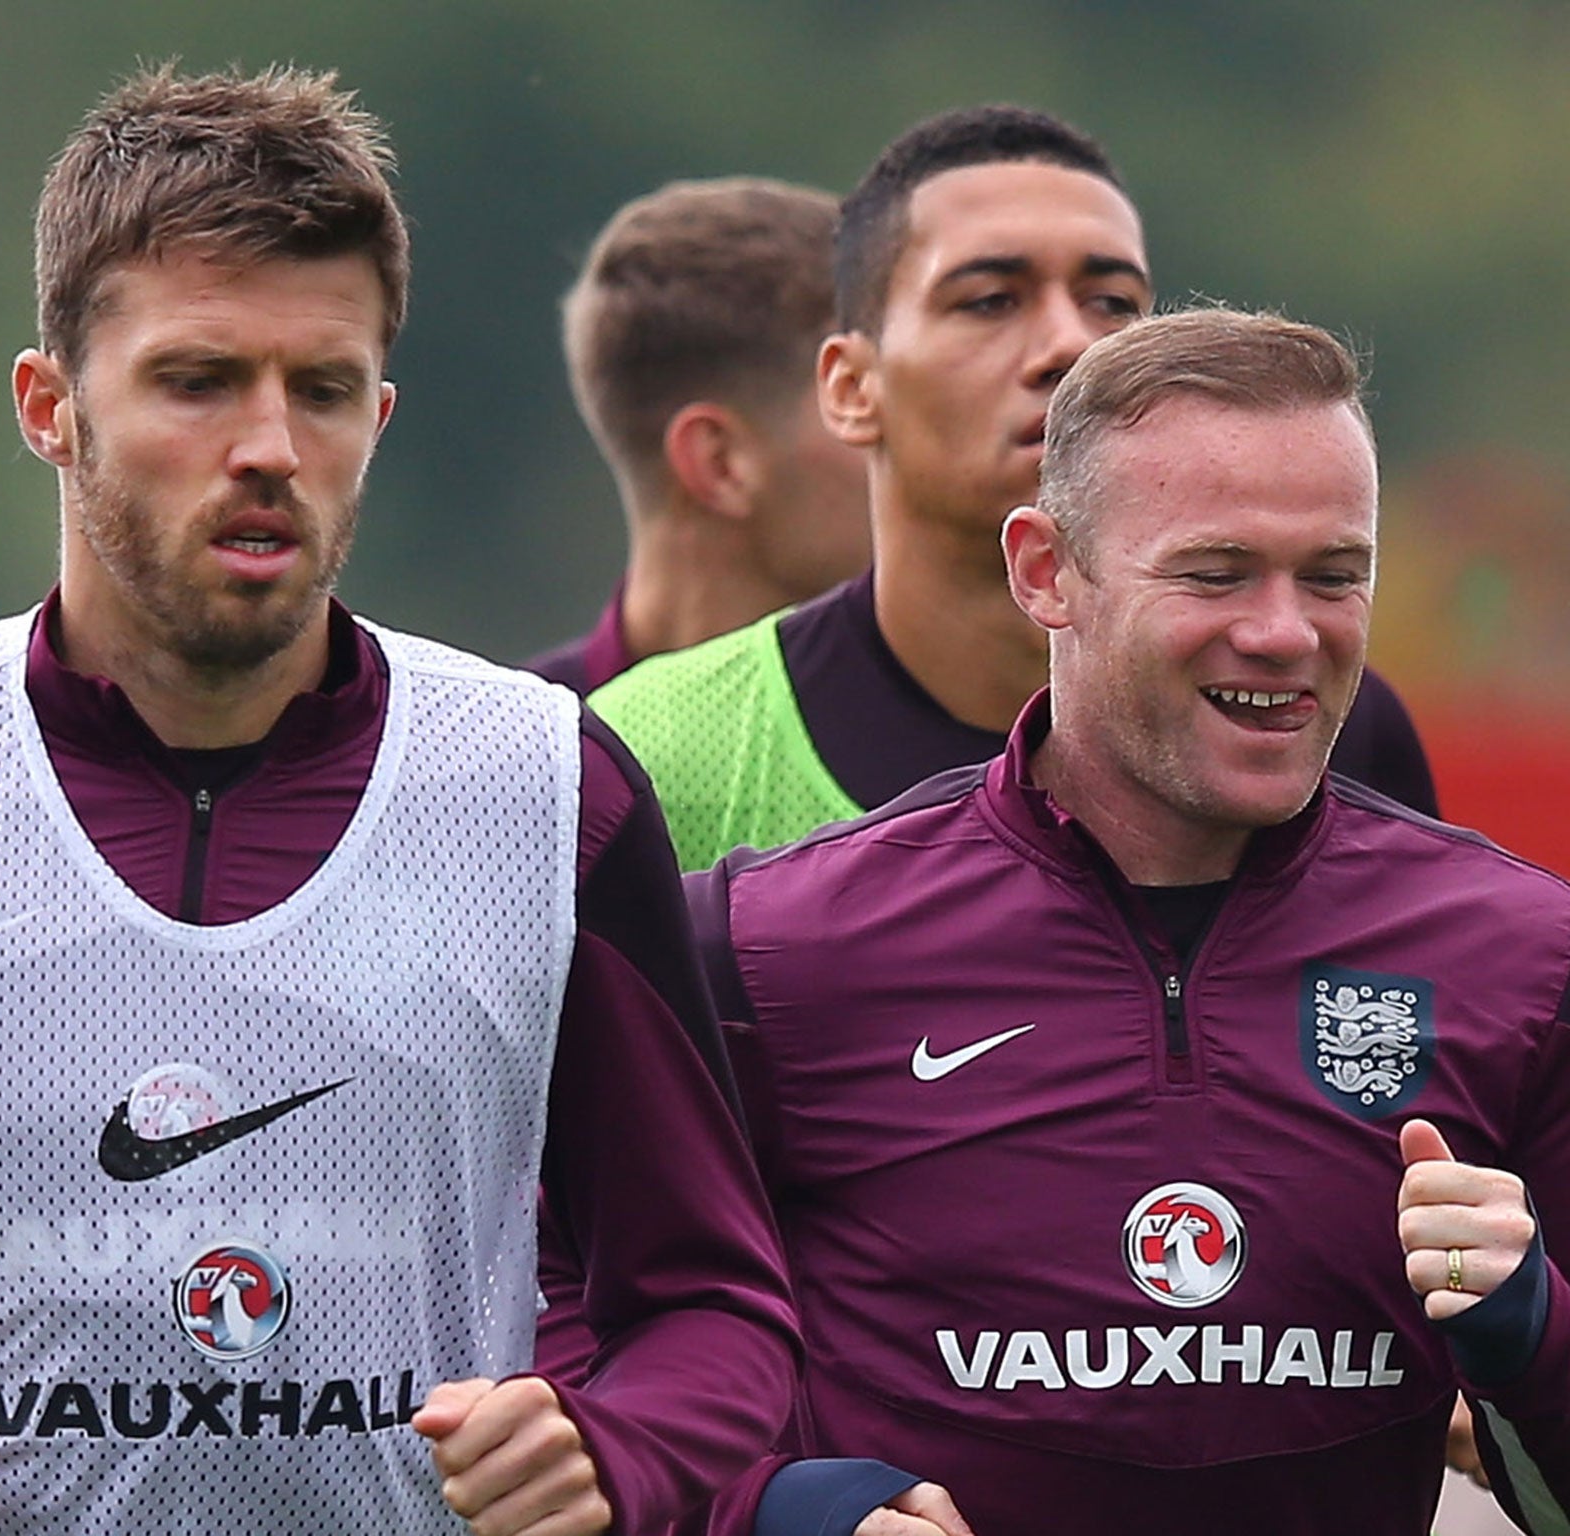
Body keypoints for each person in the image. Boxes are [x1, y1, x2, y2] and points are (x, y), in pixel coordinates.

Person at [0, 65, 798, 1536]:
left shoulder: (548, 790)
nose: (269, 446)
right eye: (197, 381)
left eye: (321, 390)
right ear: (50, 408)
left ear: (378, 412)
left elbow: (716, 1299)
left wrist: (618, 1454)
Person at [686, 307, 1570, 1534]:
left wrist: (1534, 1329)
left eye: (1332, 575)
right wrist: (768, 1508)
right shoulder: (766, 944)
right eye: (1213, 572)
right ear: (1045, 572)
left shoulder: (1523, 953)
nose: (1282, 633)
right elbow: (582, 1341)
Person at [589, 106, 1437, 873]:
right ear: (851, 386)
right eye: (991, 301)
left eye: (1112, 301)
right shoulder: (655, 753)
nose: (1070, 345)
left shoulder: (1326, 720)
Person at [524, 178, 870, 695]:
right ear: (720, 462)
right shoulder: (509, 756)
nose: (912, 444)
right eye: (853, 401)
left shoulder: (1015, 743)